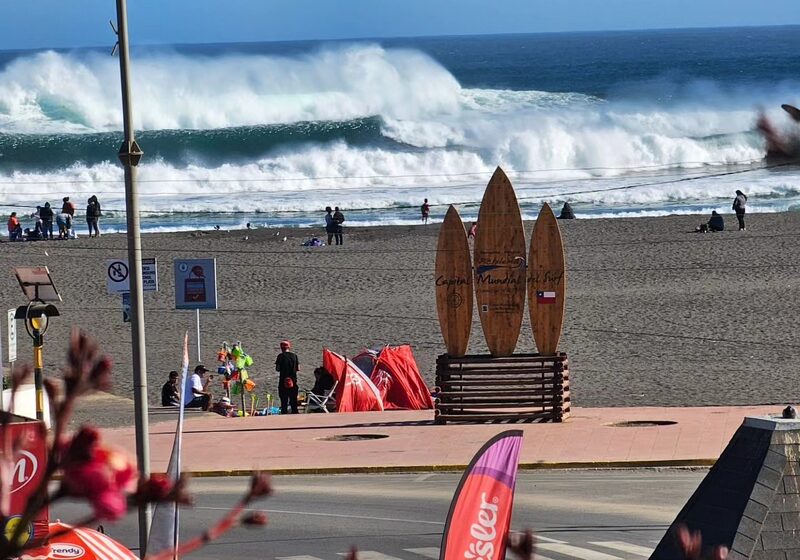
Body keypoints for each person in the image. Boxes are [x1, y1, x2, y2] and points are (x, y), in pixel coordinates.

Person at [275, 340, 299, 414]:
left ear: (281, 348)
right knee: (293, 401)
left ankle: (284, 415)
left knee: (284, 401)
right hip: (293, 382)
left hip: (283, 382)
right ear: (289, 347)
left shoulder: (280, 356)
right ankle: (295, 414)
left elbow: (277, 369)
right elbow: (298, 368)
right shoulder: (294, 356)